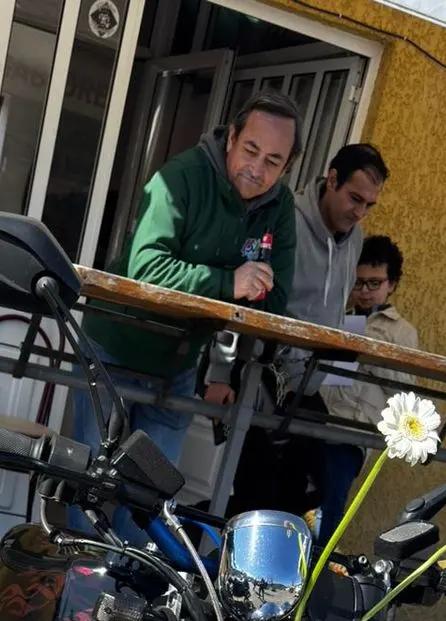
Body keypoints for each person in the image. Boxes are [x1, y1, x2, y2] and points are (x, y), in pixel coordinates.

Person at [73, 91, 301, 497]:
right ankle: (75, 542)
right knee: (92, 482)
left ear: (287, 167)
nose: (257, 168)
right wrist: (229, 284)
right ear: (231, 138)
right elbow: (146, 269)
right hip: (114, 347)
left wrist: (224, 360)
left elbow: (276, 298)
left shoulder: (281, 205)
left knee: (151, 494)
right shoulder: (181, 175)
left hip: (179, 363)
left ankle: (134, 544)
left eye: (273, 161)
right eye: (251, 150)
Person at [228, 142, 389, 520]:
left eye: (369, 205)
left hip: (307, 386)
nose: (360, 212)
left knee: (311, 494)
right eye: (354, 198)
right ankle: (213, 549)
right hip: (262, 373)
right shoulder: (288, 220)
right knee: (256, 497)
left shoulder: (356, 239)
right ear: (331, 180)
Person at [317, 236, 419, 538]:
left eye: (374, 283)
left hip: (356, 433)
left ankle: (318, 561)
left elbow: (404, 391)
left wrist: (373, 351)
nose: (364, 291)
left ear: (392, 284)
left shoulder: (401, 331)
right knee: (301, 495)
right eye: (359, 282)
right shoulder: (340, 316)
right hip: (318, 422)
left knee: (330, 503)